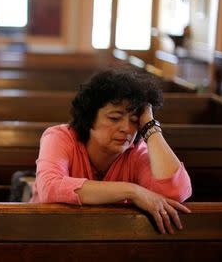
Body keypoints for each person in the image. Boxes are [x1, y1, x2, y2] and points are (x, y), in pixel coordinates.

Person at [30, 68, 192, 234]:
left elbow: (176, 192)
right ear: (89, 117)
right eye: (115, 118)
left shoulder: (136, 152)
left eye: (135, 121)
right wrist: (132, 191)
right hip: (46, 232)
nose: (127, 129)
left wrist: (150, 127)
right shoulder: (60, 137)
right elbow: (50, 187)